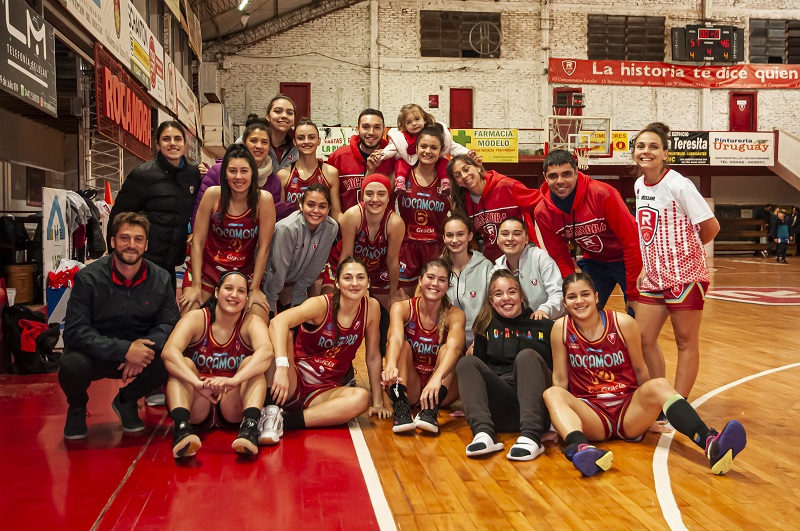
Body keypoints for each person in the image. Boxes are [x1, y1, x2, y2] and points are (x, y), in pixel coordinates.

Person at [544, 273, 747, 477]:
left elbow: (640, 370)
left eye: (585, 294)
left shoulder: (623, 323)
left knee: (659, 383)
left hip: (628, 411)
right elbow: (561, 379)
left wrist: (648, 416)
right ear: (564, 302)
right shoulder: (560, 329)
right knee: (552, 393)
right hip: (592, 415)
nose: (579, 301)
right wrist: (559, 423)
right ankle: (582, 450)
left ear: (597, 297)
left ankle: (711, 443)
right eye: (572, 297)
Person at [59, 212, 180, 439]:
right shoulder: (88, 279)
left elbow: (170, 323)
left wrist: (144, 349)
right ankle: (76, 407)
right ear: (113, 242)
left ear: (146, 245)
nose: (131, 245)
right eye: (124, 238)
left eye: (138, 239)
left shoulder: (161, 278)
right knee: (71, 365)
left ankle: (127, 400)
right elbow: (76, 332)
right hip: (97, 354)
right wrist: (125, 350)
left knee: (171, 358)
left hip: (140, 354)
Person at [257, 258, 390, 445]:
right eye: (347, 277)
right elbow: (278, 322)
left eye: (360, 277)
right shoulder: (321, 304)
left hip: (324, 390)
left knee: (360, 398)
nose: (354, 283)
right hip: (293, 379)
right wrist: (282, 366)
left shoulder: (371, 308)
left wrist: (377, 401)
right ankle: (271, 406)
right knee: (281, 335)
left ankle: (285, 422)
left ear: (368, 282)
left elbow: (374, 355)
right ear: (337, 282)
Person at [632, 123, 720, 399]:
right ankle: (662, 397)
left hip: (686, 277)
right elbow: (649, 231)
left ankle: (678, 409)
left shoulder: (679, 185)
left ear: (665, 154)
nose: (646, 151)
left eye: (654, 147)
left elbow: (711, 227)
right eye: (641, 146)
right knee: (643, 340)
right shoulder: (638, 185)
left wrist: (684, 254)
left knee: (685, 342)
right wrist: (648, 264)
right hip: (654, 277)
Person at [162, 271, 274, 458]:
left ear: (247, 299)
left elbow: (266, 353)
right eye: (228, 288)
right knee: (184, 364)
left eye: (240, 291)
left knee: (252, 364)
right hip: (199, 401)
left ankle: (249, 429)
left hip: (233, 402)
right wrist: (197, 383)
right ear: (216, 292)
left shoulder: (251, 322)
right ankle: (182, 429)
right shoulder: (197, 318)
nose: (233, 295)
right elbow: (169, 352)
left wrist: (235, 380)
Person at [456, 269, 555, 460]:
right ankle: (484, 433)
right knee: (467, 362)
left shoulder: (545, 326)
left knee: (526, 356)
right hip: (503, 409)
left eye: (511, 291)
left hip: (537, 407)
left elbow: (560, 375)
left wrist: (558, 423)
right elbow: (479, 372)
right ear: (491, 301)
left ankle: (531, 437)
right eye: (498, 294)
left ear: (521, 296)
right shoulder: (485, 326)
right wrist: (472, 404)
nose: (506, 298)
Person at [534, 149, 641, 315]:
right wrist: (573, 286)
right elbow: (559, 255)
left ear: (577, 172)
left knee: (638, 315)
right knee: (580, 311)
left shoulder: (603, 194)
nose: (560, 181)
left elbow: (632, 241)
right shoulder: (542, 212)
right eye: (553, 176)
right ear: (545, 176)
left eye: (567, 174)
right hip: (595, 262)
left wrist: (633, 293)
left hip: (627, 259)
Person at [180, 144, 276, 322]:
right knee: (189, 316)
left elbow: (264, 248)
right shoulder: (212, 195)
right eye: (232, 171)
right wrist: (195, 286)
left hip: (243, 273)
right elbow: (198, 243)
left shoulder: (264, 200)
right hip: (208, 269)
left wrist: (254, 289)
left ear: (253, 173)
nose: (238, 177)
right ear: (224, 173)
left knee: (259, 319)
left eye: (244, 171)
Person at [109, 121, 201, 291]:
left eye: (177, 139)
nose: (172, 143)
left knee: (167, 316)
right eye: (166, 139)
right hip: (143, 262)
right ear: (158, 144)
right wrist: (113, 260)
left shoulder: (193, 174)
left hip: (171, 264)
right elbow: (117, 218)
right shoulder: (143, 174)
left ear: (184, 144)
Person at [382, 259, 466, 434]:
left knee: (448, 352)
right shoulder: (402, 308)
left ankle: (430, 410)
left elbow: (455, 348)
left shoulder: (455, 314)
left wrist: (438, 377)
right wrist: (390, 365)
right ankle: (401, 408)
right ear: (420, 280)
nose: (435, 283)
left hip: (441, 387)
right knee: (403, 346)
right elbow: (395, 339)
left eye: (442, 280)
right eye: (430, 277)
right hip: (410, 383)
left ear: (448, 286)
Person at [338, 174, 406, 355]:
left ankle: (390, 365)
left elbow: (392, 260)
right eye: (369, 194)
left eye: (381, 194)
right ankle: (342, 366)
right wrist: (342, 287)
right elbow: (346, 255)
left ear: (389, 196)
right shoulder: (351, 216)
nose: (375, 199)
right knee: (336, 306)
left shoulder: (395, 223)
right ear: (362, 195)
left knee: (399, 311)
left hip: (378, 271)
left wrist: (393, 295)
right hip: (351, 267)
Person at [191, 118, 288, 225]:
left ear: (269, 147)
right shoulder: (218, 171)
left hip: (251, 240)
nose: (259, 146)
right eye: (253, 140)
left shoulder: (273, 182)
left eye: (264, 142)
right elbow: (199, 208)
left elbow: (270, 220)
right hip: (215, 238)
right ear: (244, 143)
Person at [448, 155, 542, 262]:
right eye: (457, 175)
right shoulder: (464, 203)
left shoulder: (506, 186)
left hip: (524, 258)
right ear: (456, 182)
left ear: (478, 167)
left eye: (466, 169)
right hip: (494, 264)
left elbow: (542, 203)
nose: (464, 176)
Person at [263, 184, 338, 313]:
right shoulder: (287, 228)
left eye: (322, 206)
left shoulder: (331, 227)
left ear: (329, 208)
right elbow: (278, 269)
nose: (316, 211)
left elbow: (316, 265)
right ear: (301, 205)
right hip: (270, 282)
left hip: (297, 282)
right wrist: (271, 299)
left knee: (308, 318)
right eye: (310, 204)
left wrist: (299, 293)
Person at [396, 124, 452, 295]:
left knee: (434, 298)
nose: (428, 151)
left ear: (441, 150)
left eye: (433, 147)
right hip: (407, 247)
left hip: (436, 247)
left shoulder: (448, 181)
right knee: (404, 298)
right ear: (416, 148)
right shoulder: (402, 177)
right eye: (424, 146)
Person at [380, 103, 470, 195]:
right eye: (408, 122)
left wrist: (467, 153)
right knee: (400, 162)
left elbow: (452, 146)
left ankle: (445, 182)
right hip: (410, 162)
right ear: (404, 127)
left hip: (432, 166)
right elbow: (392, 148)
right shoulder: (402, 138)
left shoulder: (434, 134)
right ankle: (400, 181)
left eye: (417, 119)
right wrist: (382, 154)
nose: (414, 124)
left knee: (444, 162)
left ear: (425, 120)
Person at [326, 108, 396, 213]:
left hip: (383, 227)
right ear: (357, 129)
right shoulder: (338, 157)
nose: (371, 132)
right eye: (365, 127)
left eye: (377, 127)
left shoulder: (394, 157)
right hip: (346, 225)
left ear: (384, 130)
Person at [441, 214, 492, 354]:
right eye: (449, 235)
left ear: (470, 236)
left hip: (479, 339)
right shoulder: (439, 269)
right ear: (443, 238)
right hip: (447, 338)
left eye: (460, 234)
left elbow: (492, 309)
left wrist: (479, 340)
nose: (455, 240)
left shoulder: (486, 267)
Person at [494, 217, 564, 320]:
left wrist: (544, 310)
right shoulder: (497, 269)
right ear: (497, 239)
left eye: (517, 234)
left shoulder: (540, 257)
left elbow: (558, 294)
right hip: (514, 326)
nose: (510, 238)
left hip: (546, 322)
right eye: (505, 234)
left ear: (526, 238)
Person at [276, 119, 342, 220]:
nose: (306, 141)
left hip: (322, 232)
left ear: (319, 141)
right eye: (301, 138)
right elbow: (281, 216)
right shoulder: (283, 175)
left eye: (311, 137)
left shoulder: (331, 173)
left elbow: (336, 214)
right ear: (294, 142)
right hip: (293, 233)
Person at [265, 94, 299, 171]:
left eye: (290, 113)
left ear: (294, 120)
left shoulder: (299, 145)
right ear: (268, 116)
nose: (284, 116)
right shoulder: (249, 142)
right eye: (277, 111)